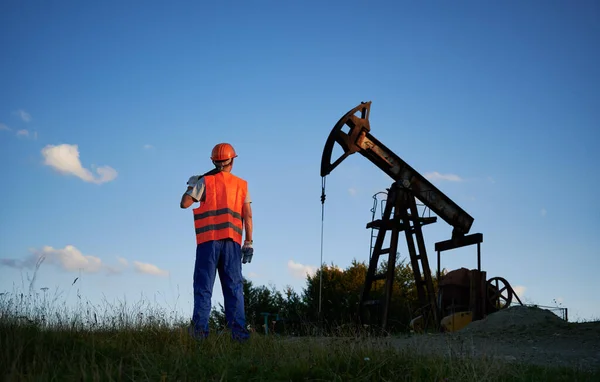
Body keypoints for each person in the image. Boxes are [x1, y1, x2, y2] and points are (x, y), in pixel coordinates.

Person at [180, 142, 253, 341]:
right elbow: (247, 216)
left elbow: (184, 204)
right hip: (232, 243)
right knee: (234, 289)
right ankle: (239, 337)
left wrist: (193, 185)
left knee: (203, 288)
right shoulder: (241, 185)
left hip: (208, 243)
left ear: (213, 161)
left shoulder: (205, 182)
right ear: (232, 161)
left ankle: (199, 335)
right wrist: (249, 242)